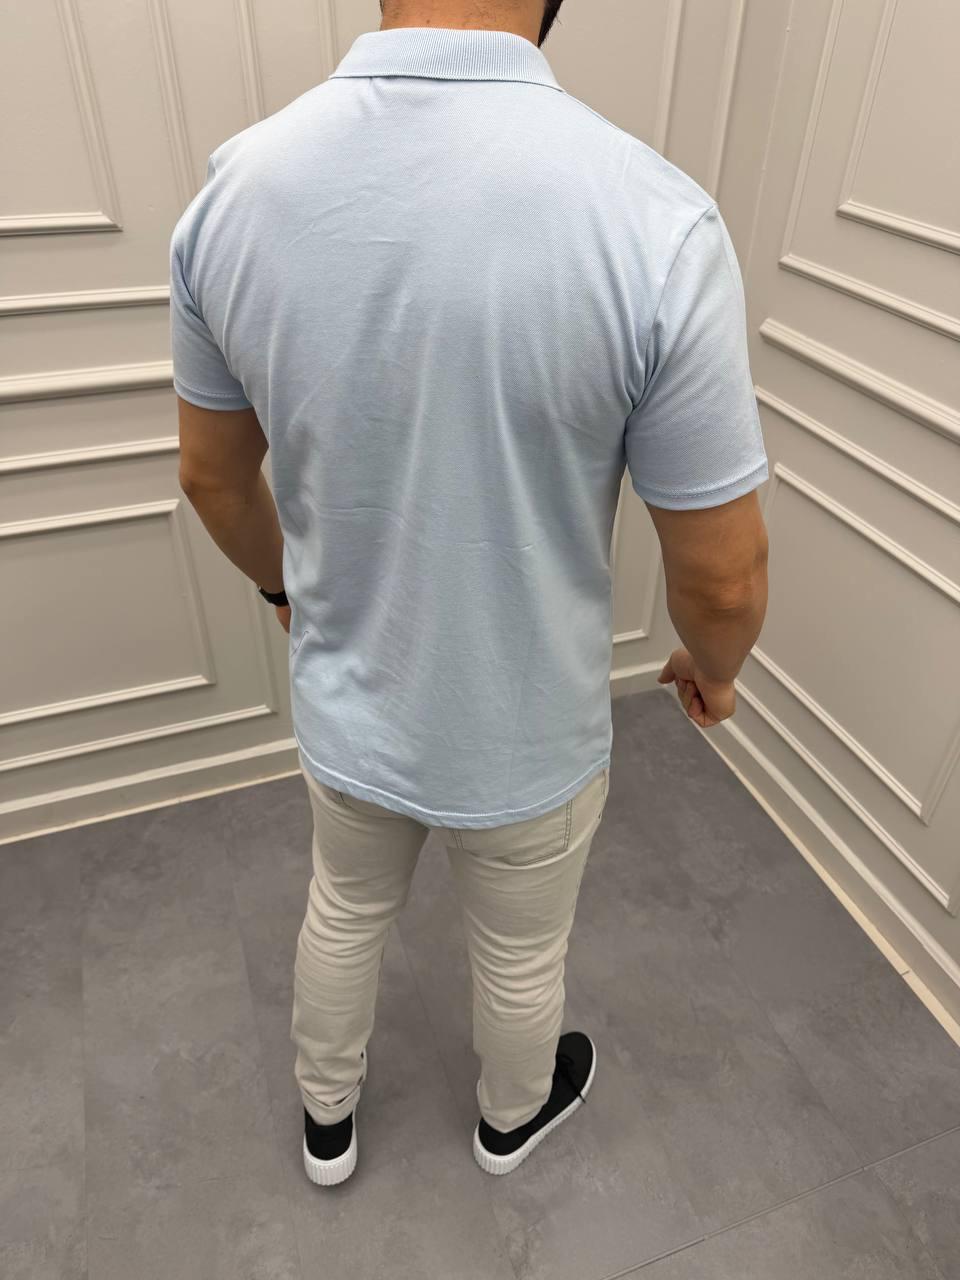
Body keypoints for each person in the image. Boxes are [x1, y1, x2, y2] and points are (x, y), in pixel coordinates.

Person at [171, 0, 770, 1187]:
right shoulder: (652, 218)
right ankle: (510, 1119)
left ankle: (326, 1122)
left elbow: (210, 475)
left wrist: (284, 586)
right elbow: (724, 571)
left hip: (351, 694)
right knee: (521, 949)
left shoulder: (238, 190)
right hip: (528, 726)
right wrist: (716, 670)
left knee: (344, 905)